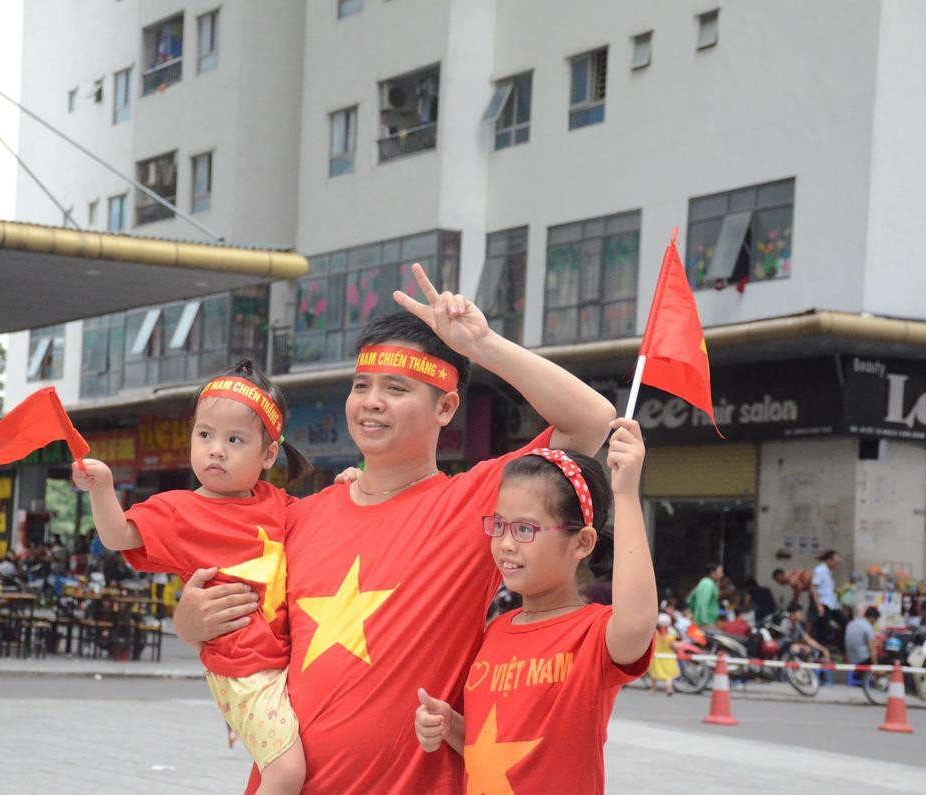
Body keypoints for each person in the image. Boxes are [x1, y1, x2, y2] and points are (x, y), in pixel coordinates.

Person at [171, 265, 616, 794]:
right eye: (362, 385)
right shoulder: (294, 517)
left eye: (396, 388)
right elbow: (250, 636)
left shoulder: (473, 504)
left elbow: (591, 421)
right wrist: (189, 623)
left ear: (446, 407)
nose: (372, 401)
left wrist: (483, 345)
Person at [74, 360, 317, 794]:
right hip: (243, 670)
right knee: (286, 772)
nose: (216, 449)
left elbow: (331, 520)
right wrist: (102, 487)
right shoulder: (179, 510)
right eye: (204, 434)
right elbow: (116, 536)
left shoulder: (277, 503)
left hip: (285, 663)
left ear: (268, 455)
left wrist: (352, 479)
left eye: (234, 439)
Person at [413, 422, 654, 792]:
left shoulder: (593, 636)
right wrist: (450, 726)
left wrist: (626, 494)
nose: (506, 544)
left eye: (525, 530)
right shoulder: (493, 632)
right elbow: (491, 749)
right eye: (499, 525)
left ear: (582, 542)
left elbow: (638, 623)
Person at [810, 549, 844, 647]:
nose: (836, 565)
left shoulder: (829, 572)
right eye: (835, 562)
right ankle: (821, 650)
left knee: (844, 623)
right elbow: (813, 587)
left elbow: (826, 589)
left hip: (832, 604)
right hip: (824, 603)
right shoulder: (820, 570)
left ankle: (837, 646)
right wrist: (819, 605)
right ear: (829, 560)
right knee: (822, 629)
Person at [649, 613, 679, 696]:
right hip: (668, 655)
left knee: (655, 673)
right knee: (669, 674)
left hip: (656, 655)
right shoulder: (672, 631)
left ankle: (653, 689)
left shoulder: (654, 631)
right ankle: (669, 688)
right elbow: (674, 644)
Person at [688, 563, 723, 628]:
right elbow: (702, 603)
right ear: (713, 573)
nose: (722, 575)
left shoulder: (706, 583)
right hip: (705, 623)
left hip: (706, 621)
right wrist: (704, 621)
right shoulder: (707, 584)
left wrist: (695, 613)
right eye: (720, 572)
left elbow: (690, 599)